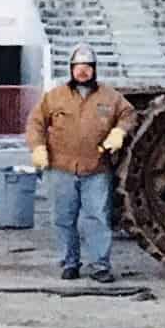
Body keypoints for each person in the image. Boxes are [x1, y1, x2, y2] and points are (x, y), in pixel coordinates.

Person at [24, 44, 137, 283]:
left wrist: (119, 132)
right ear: (71, 69)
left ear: (94, 69)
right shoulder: (55, 96)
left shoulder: (110, 97)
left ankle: (100, 266)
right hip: (60, 168)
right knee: (63, 218)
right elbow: (35, 122)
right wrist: (38, 147)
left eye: (87, 67)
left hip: (96, 168)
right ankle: (70, 262)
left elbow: (129, 114)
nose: (83, 72)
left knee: (97, 217)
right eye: (78, 67)